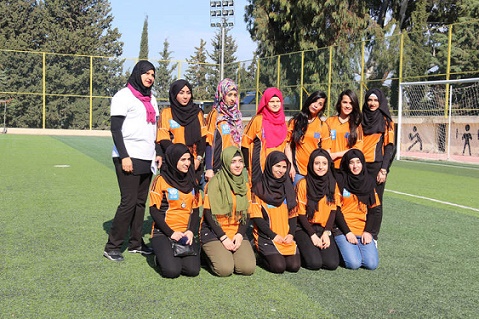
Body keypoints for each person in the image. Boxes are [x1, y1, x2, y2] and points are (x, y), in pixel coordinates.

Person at [103, 60, 159, 262]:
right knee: (128, 202)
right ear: (138, 73)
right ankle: (112, 246)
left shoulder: (151, 98)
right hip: (128, 156)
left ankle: (136, 243)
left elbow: (154, 128)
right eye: (146, 73)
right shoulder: (123, 96)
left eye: (152, 74)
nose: (149, 77)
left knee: (139, 202)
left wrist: (157, 153)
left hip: (147, 156)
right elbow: (116, 129)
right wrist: (124, 156)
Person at [200, 146, 256, 277]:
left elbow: (247, 213)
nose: (238, 165)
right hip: (215, 231)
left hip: (236, 231)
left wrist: (240, 235)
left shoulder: (244, 183)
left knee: (247, 268)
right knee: (225, 269)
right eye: (233, 162)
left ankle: (226, 253)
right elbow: (208, 214)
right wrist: (223, 238)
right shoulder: (214, 183)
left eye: (240, 161)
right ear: (225, 162)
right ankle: (205, 255)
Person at [149, 143, 202, 278]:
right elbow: (154, 211)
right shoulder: (161, 180)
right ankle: (160, 257)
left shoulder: (192, 180)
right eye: (183, 160)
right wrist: (171, 233)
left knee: (193, 271)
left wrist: (190, 231)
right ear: (173, 160)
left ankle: (171, 256)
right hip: (164, 232)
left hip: (185, 233)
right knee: (172, 271)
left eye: (189, 159)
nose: (187, 163)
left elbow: (195, 211)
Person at [250, 151, 300, 274]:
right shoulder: (258, 188)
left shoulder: (288, 187)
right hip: (267, 236)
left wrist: (291, 234)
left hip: (285, 236)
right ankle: (259, 252)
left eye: (284, 167)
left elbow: (293, 214)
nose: (281, 170)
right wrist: (273, 236)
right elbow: (257, 218)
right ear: (269, 166)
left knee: (294, 266)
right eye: (277, 166)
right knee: (279, 267)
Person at [333, 149, 380, 270]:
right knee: (354, 264)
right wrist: (347, 232)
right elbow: (336, 210)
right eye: (351, 162)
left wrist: (368, 232)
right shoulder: (340, 180)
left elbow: (373, 210)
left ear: (363, 163)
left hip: (362, 229)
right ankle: (338, 248)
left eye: (358, 162)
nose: (355, 166)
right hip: (343, 229)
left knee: (371, 264)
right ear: (346, 164)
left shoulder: (369, 182)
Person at [295, 149, 340, 270]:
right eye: (317, 163)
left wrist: (326, 232)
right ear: (311, 164)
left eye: (324, 163)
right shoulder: (303, 183)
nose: (321, 167)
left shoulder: (332, 183)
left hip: (323, 228)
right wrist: (312, 235)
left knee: (332, 264)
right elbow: (300, 214)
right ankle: (299, 249)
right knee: (314, 264)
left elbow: (333, 210)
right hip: (304, 228)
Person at [361, 88, 395, 241]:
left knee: (376, 201)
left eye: (375, 100)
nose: (372, 103)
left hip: (376, 166)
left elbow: (389, 147)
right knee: (360, 199)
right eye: (369, 100)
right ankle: (361, 230)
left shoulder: (386, 121)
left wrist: (384, 169)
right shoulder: (360, 119)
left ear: (380, 102)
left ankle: (373, 236)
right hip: (360, 166)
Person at [157, 79, 207, 182]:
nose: (185, 96)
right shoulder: (166, 113)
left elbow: (203, 137)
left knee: (193, 195)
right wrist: (179, 158)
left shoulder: (197, 113)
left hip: (193, 164)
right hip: (173, 164)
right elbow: (163, 139)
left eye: (188, 93)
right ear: (174, 94)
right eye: (181, 93)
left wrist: (198, 158)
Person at [241, 87, 288, 182]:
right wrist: (247, 167)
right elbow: (245, 144)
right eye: (272, 101)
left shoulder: (284, 123)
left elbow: (286, 146)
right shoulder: (258, 120)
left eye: (278, 101)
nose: (275, 104)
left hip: (278, 170)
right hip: (260, 169)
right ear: (266, 102)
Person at [285, 90, 332, 185]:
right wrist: (290, 166)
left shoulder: (323, 126)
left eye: (320, 104)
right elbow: (287, 145)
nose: (316, 105)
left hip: (315, 174)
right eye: (314, 101)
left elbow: (326, 152)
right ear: (309, 101)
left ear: (322, 108)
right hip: (298, 173)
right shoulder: (295, 122)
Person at [204, 78, 244, 181]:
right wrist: (209, 168)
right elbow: (208, 142)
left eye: (235, 95)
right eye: (229, 95)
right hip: (219, 167)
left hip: (234, 166)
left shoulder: (237, 116)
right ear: (222, 95)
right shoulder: (215, 114)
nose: (232, 98)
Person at [325, 89, 363, 170]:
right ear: (340, 103)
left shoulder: (356, 125)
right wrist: (328, 154)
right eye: (345, 102)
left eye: (351, 103)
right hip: (330, 167)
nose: (348, 106)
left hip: (347, 168)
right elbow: (324, 142)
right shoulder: (329, 121)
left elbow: (357, 149)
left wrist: (336, 155)